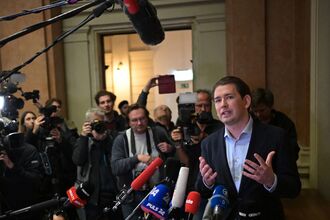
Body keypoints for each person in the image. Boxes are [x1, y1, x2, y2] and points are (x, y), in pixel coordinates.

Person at [196, 76, 301, 220]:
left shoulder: (276, 136)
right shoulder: (209, 143)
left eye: (229, 97)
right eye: (218, 100)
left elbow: (293, 188)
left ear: (246, 101)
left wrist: (271, 181)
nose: (223, 105)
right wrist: (207, 183)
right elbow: (200, 188)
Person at [111, 103, 174, 220]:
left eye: (142, 119)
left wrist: (170, 149)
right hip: (131, 196)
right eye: (134, 120)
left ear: (148, 118)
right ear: (129, 122)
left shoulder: (158, 133)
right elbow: (115, 167)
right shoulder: (122, 139)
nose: (139, 123)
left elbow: (174, 157)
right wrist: (137, 158)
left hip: (156, 193)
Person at [72, 108, 122, 220]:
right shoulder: (84, 140)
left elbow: (115, 157)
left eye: (101, 122)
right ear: (88, 124)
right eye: (95, 122)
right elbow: (78, 160)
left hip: (114, 194)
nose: (99, 125)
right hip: (93, 197)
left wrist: (103, 139)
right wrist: (84, 137)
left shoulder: (112, 138)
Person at [251, 88, 300, 161]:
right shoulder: (250, 121)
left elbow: (293, 150)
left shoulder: (284, 123)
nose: (258, 114)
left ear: (271, 106)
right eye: (255, 111)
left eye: (262, 110)